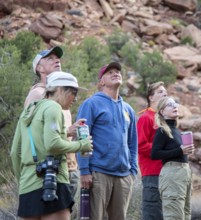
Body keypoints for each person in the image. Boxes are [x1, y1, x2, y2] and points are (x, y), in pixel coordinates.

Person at [11, 71, 92, 219]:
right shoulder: (53, 107)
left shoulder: (28, 111)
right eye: (73, 92)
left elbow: (14, 153)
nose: (75, 98)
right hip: (54, 185)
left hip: (27, 187)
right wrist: (81, 145)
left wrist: (23, 181)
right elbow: (52, 144)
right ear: (60, 90)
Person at [76, 61, 138, 220]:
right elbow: (82, 136)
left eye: (118, 71)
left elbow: (132, 143)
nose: (115, 73)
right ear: (101, 81)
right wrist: (84, 170)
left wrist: (133, 171)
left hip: (124, 176)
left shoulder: (128, 109)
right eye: (109, 72)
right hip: (98, 173)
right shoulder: (91, 104)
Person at [24, 47, 82, 201]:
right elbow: (32, 131)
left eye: (57, 58)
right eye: (50, 58)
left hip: (68, 166)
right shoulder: (38, 94)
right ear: (39, 68)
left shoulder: (59, 93)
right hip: (49, 168)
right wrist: (69, 132)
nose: (57, 60)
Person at [151, 96, 194, 220]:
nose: (175, 106)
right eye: (170, 105)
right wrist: (179, 150)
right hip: (172, 174)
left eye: (175, 103)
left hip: (184, 173)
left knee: (186, 214)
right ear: (162, 112)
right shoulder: (162, 131)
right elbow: (155, 154)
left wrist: (186, 152)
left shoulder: (176, 130)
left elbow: (178, 152)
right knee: (174, 215)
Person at [137, 81, 167, 220]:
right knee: (153, 212)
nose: (164, 94)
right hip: (152, 172)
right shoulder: (145, 118)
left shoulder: (164, 119)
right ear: (151, 97)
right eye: (160, 92)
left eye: (165, 92)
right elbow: (141, 145)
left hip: (167, 172)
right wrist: (163, 152)